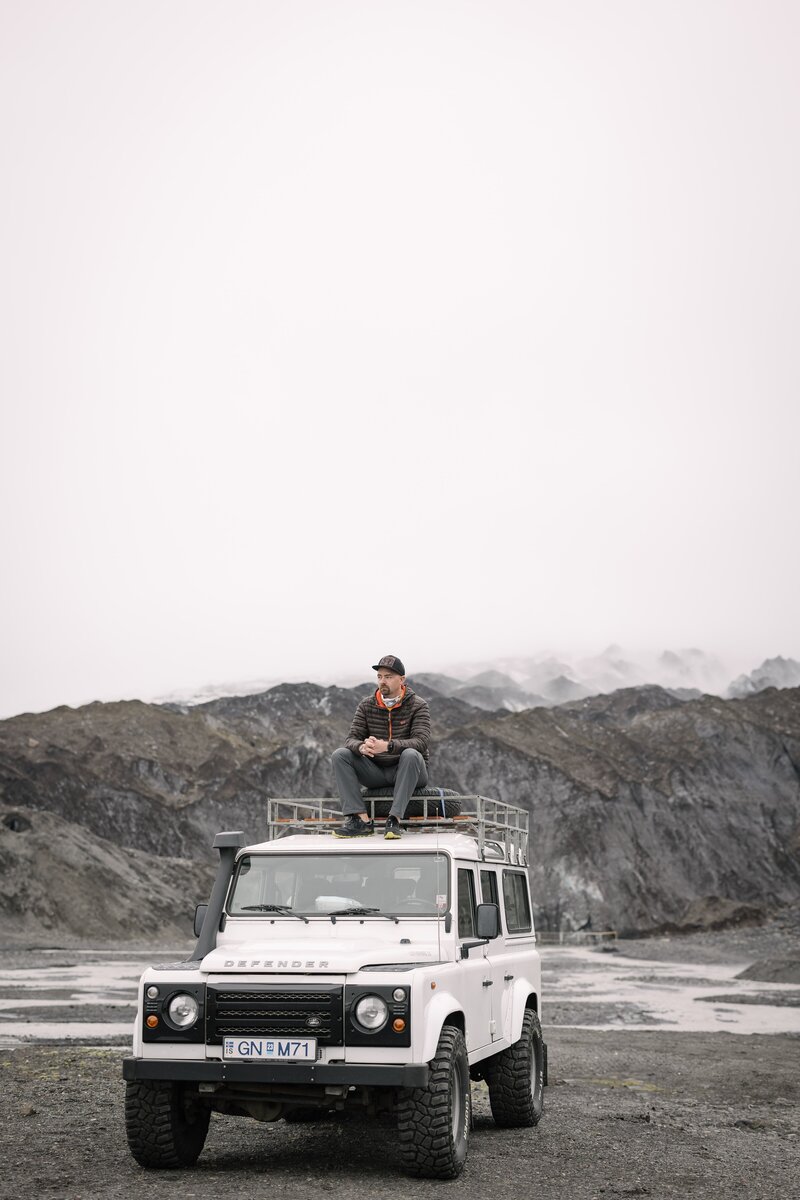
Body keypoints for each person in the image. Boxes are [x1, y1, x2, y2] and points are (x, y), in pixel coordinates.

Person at [331, 655, 430, 839]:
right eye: (379, 676)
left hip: (410, 771)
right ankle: (361, 821)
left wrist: (388, 746)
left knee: (411, 754)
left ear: (402, 680)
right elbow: (351, 739)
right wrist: (361, 747)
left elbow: (421, 741)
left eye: (388, 676)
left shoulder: (418, 705)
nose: (382, 681)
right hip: (376, 771)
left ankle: (394, 819)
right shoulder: (367, 705)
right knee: (340, 755)